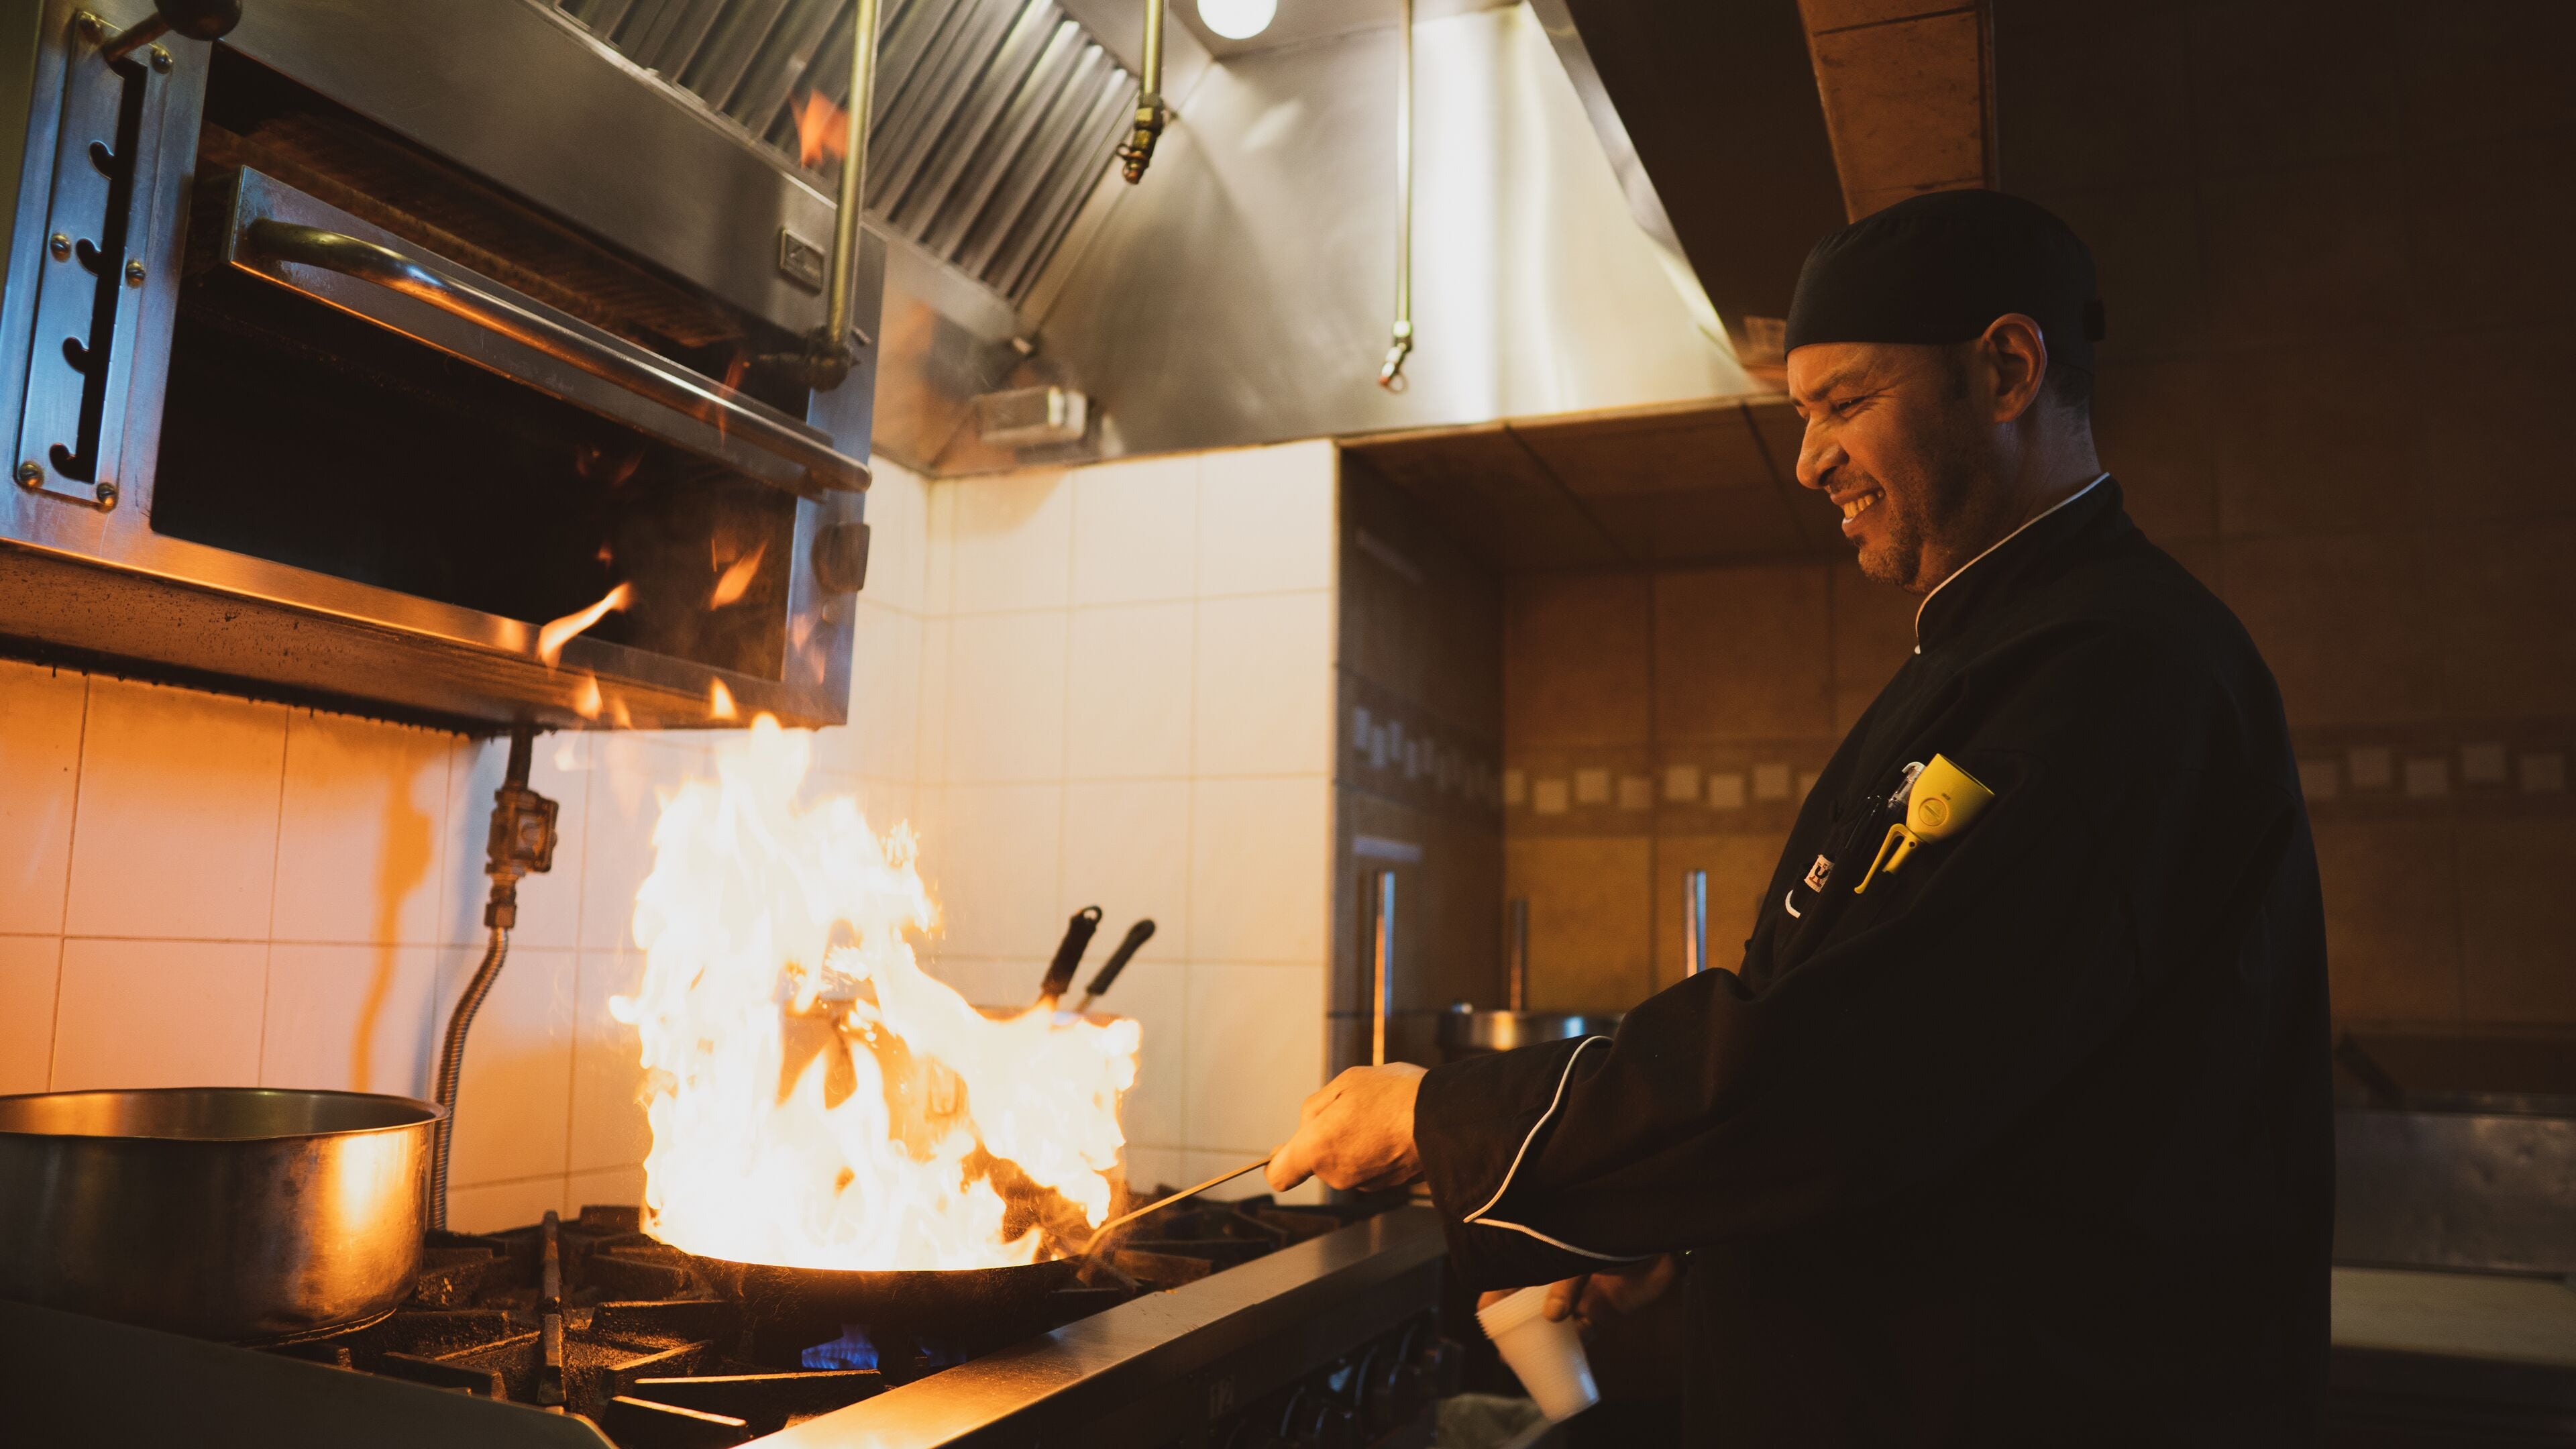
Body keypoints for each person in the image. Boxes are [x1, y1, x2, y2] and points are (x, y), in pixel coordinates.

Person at [1267, 189, 2332, 1444]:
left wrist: (1434, 1117)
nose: (1808, 458)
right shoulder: (1996, 655)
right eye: (1802, 414)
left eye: (1843, 403)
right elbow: (1924, 1104)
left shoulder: (2113, 673)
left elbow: (1853, 1061)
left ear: (2005, 369)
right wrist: (1684, 1235)